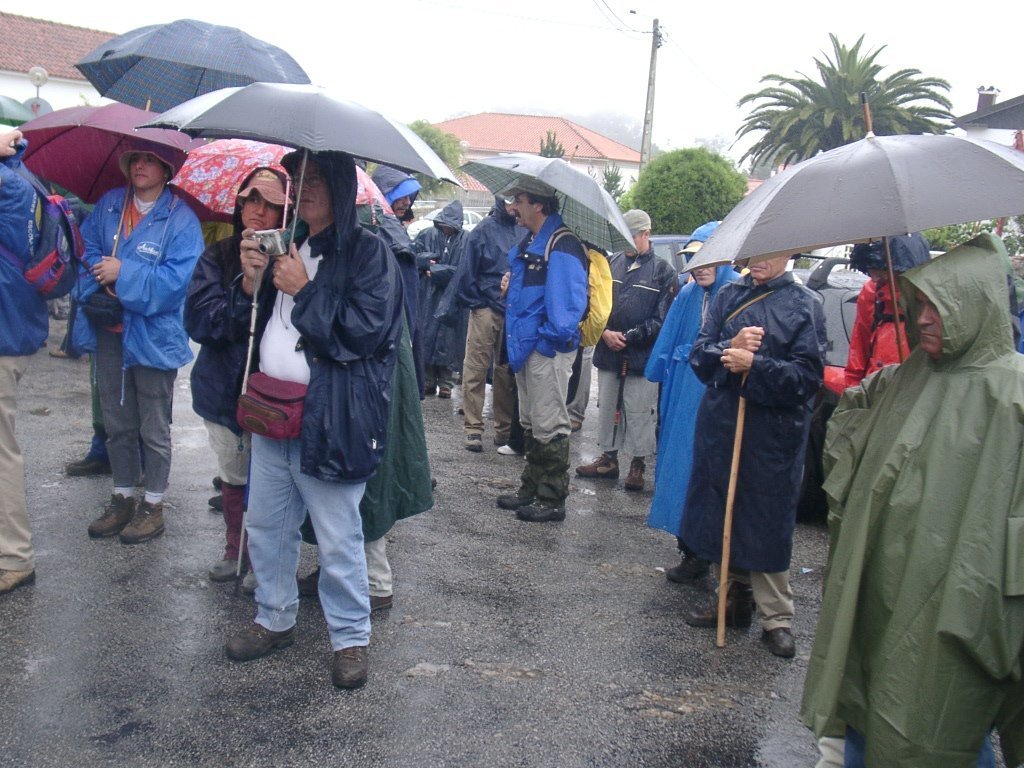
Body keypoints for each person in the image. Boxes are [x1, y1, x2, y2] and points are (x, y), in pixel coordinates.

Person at [801, 234, 1023, 768]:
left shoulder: (1012, 394)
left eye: (939, 306)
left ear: (978, 305)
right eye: (918, 304)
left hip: (961, 608)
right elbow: (847, 442)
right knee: (869, 701)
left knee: (939, 723)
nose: (922, 318)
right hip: (881, 588)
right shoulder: (906, 377)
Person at [223, 150, 404, 691]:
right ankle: (273, 617)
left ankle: (350, 638)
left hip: (332, 417)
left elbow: (362, 334)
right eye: (297, 179)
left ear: (343, 187)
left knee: (338, 536)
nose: (305, 189)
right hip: (271, 412)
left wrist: (305, 289)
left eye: (318, 179)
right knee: (266, 525)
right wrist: (252, 283)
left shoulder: (370, 253)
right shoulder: (286, 243)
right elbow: (246, 326)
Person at [681, 253, 825, 658]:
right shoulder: (729, 295)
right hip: (723, 422)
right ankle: (730, 600)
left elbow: (807, 377)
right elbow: (700, 355)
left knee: (765, 519)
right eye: (755, 253)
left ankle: (776, 617)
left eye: (770, 253)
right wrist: (730, 348)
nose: (758, 261)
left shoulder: (805, 304)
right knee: (722, 510)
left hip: (773, 433)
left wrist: (756, 365)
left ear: (789, 253)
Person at [72, 148, 203, 545]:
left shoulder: (181, 220)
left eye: (149, 159)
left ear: (166, 169)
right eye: (134, 160)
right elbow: (85, 252)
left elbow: (177, 282)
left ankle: (153, 503)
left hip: (154, 337)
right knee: (117, 423)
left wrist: (124, 272)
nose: (140, 165)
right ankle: (123, 496)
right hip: (110, 333)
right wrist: (102, 278)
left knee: (153, 427)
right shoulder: (110, 204)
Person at [184, 167, 289, 584]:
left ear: (285, 213)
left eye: (271, 204)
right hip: (223, 390)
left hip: (276, 396)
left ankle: (264, 558)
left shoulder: (293, 261)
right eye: (252, 199)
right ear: (240, 204)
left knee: (271, 481)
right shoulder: (218, 256)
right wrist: (245, 287)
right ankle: (235, 548)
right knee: (233, 473)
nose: (258, 211)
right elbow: (200, 323)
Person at [645, 225, 740, 582]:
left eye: (708, 259)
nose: (700, 268)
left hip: (713, 392)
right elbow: (669, 338)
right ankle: (688, 549)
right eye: (695, 259)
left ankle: (711, 553)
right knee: (677, 465)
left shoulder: (736, 296)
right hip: (681, 390)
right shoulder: (687, 294)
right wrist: (660, 370)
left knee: (707, 469)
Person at [496, 177, 588, 522]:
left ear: (538, 204)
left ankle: (551, 499)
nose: (512, 207)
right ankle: (531, 490)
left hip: (544, 349)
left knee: (549, 423)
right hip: (528, 347)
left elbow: (567, 308)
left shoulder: (562, 245)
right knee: (531, 421)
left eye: (518, 200)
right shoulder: (534, 242)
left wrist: (546, 343)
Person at [575, 209, 674, 491]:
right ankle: (608, 459)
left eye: (631, 236)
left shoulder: (663, 271)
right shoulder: (612, 262)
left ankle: (638, 464)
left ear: (646, 234)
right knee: (608, 406)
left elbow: (661, 318)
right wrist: (604, 332)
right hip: (608, 351)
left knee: (640, 409)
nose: (626, 243)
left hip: (642, 356)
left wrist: (631, 337)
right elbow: (596, 303)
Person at [0, 130, 48, 595]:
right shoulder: (23, 177)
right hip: (12, 324)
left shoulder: (8, 182)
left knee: (2, 452)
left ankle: (14, 555)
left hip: (4, 330)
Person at [454, 195, 522, 452]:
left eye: (517, 201)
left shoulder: (523, 229)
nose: (514, 207)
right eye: (510, 201)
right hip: (486, 307)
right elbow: (467, 271)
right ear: (501, 201)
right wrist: (478, 302)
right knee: (476, 367)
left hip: (512, 309)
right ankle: (473, 428)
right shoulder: (482, 230)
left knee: (505, 372)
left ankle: (503, 430)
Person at [844, 233, 930, 388]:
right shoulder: (871, 293)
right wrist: (852, 394)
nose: (874, 278)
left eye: (879, 270)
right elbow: (859, 350)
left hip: (913, 391)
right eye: (870, 270)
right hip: (873, 391)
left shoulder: (930, 299)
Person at [413, 200, 468, 398]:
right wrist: (425, 261)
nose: (446, 228)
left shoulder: (465, 239)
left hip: (451, 296)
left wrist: (435, 270)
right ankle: (427, 379)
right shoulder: (427, 234)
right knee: (427, 336)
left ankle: (446, 382)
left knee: (448, 340)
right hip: (428, 294)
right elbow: (412, 255)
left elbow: (464, 268)